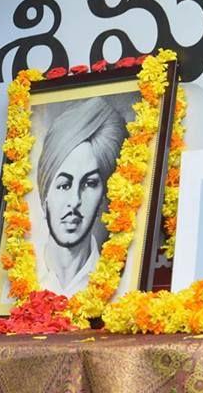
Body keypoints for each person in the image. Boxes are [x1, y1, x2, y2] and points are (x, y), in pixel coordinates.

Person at [35, 98, 127, 296]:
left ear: (103, 196)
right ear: (45, 196)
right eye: (64, 185)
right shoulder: (22, 275)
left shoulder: (120, 286)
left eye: (89, 184)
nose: (75, 201)